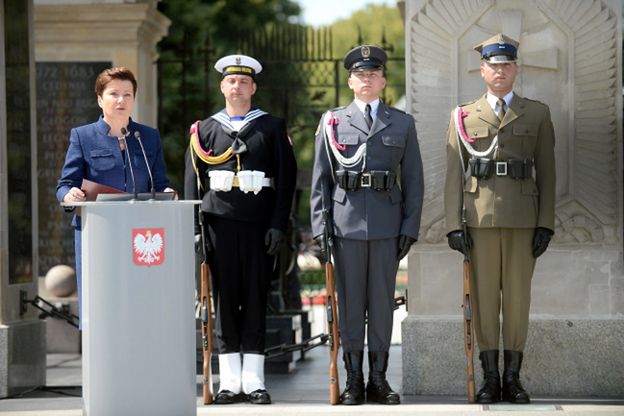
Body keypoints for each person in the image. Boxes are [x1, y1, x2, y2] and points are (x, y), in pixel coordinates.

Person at [444, 33, 556, 404]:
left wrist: (546, 222)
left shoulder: (537, 112)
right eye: (494, 65)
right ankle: (491, 377)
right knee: (486, 299)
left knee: (518, 300)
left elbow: (548, 171)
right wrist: (453, 225)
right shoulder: (463, 115)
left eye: (507, 65)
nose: (500, 71)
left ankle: (514, 377)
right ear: (482, 71)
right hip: (480, 220)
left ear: (516, 69)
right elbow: (452, 175)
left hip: (524, 218)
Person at [310, 45, 424, 405]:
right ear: (350, 81)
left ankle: (379, 378)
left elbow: (415, 181)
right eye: (360, 75)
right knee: (351, 305)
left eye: (373, 74)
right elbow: (320, 181)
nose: (367, 80)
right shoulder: (332, 122)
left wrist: (410, 226)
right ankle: (354, 380)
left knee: (380, 305)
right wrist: (319, 228)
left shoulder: (402, 123)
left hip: (388, 224)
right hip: (345, 226)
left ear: (383, 80)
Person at [184, 54, 297, 405]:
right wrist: (196, 231)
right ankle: (229, 381)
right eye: (231, 81)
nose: (237, 87)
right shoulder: (203, 130)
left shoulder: (272, 126)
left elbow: (287, 180)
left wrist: (279, 224)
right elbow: (192, 183)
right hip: (218, 223)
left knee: (255, 299)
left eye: (244, 82)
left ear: (253, 87)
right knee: (224, 299)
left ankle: (255, 380)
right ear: (222, 86)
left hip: (258, 226)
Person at [56, 67, 174, 326]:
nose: (121, 100)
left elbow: (160, 183)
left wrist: (167, 194)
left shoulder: (148, 137)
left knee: (137, 303)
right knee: (98, 304)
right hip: (96, 232)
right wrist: (71, 195)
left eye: (127, 94)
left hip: (141, 235)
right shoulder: (83, 136)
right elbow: (64, 185)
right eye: (114, 94)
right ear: (100, 99)